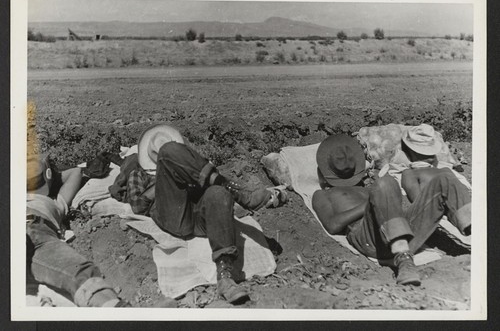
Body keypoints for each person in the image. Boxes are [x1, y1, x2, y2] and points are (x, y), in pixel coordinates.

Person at [123, 123, 287, 304]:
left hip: (197, 216)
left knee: (218, 193)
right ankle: (242, 194)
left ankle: (225, 278)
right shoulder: (138, 175)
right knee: (170, 152)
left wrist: (191, 177)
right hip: (172, 215)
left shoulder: (186, 163)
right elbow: (138, 206)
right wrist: (164, 179)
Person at [311, 128, 471, 286]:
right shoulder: (323, 194)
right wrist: (371, 202)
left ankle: (477, 238)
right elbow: (332, 225)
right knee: (385, 183)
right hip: (368, 238)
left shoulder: (369, 186)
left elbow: (398, 205)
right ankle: (404, 261)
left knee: (444, 179)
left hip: (400, 231)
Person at [27, 153, 128, 307]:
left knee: (80, 272)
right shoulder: (51, 202)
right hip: (33, 228)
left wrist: (50, 177)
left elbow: (76, 172)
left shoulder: (55, 202)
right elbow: (74, 172)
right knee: (79, 274)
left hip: (35, 229)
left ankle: (118, 311)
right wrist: (50, 176)